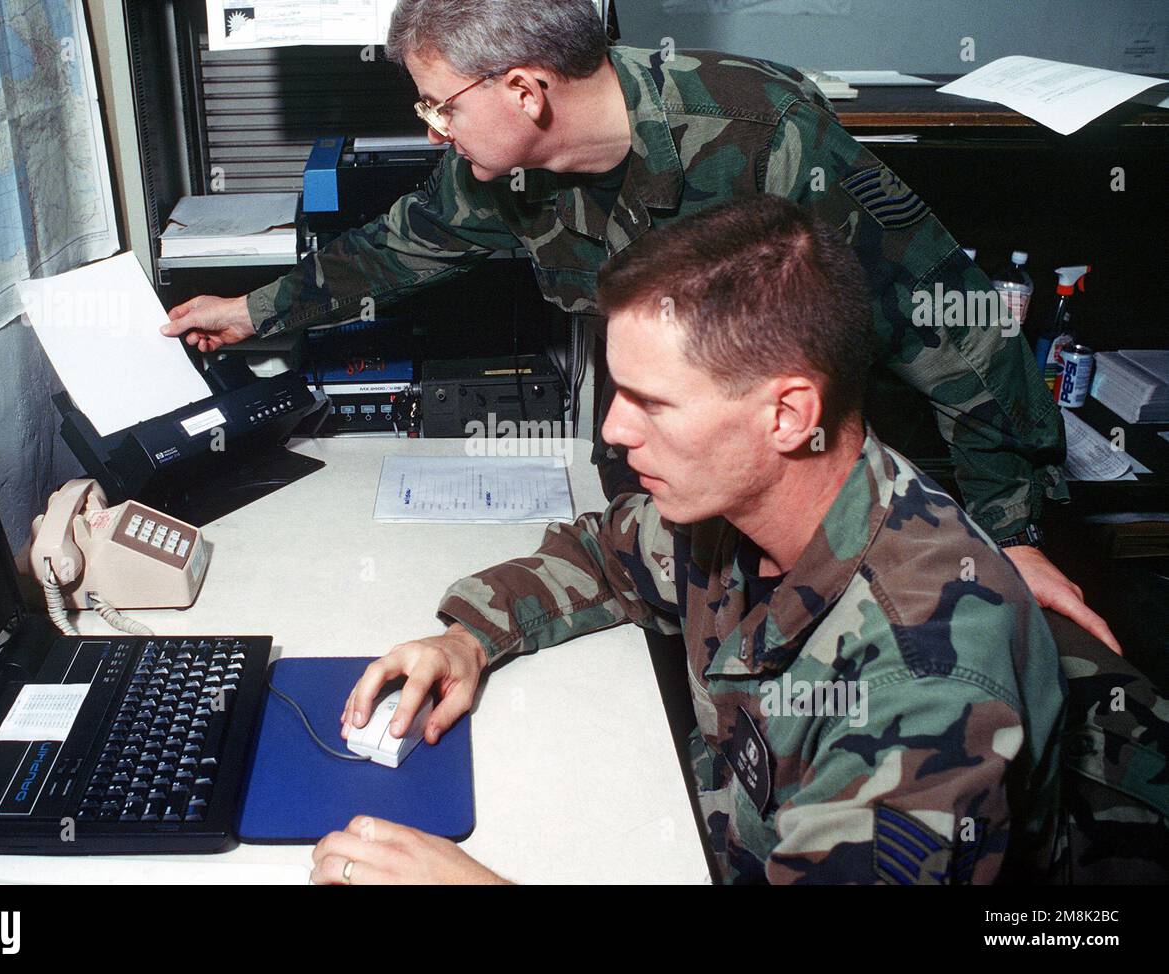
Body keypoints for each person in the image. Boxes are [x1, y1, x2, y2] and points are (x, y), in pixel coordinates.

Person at [158, 0, 1121, 652]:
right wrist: (249, 312)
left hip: (811, 483)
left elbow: (954, 327)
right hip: (673, 488)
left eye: (439, 105)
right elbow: (397, 247)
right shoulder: (497, 171)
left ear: (525, 91)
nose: (431, 130)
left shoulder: (764, 132)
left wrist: (1012, 534)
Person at [309, 196, 1068, 885]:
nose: (613, 430)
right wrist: (468, 638)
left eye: (652, 403)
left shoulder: (923, 680)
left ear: (787, 416)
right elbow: (605, 553)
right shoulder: (739, 507)